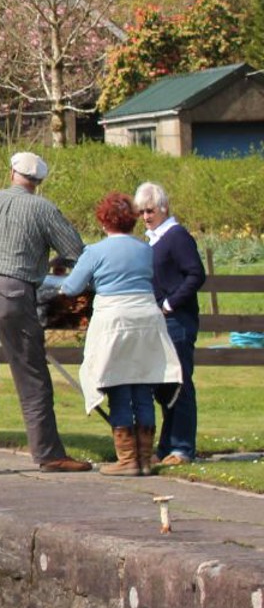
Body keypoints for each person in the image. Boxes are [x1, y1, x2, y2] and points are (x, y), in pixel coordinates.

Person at [0, 152, 91, 475]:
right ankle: (48, 454)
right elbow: (76, 250)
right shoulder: (42, 207)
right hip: (12, 290)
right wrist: (52, 261)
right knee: (31, 374)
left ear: (11, 173)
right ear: (39, 182)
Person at [60, 192, 184, 475]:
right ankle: (144, 458)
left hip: (115, 320)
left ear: (104, 222)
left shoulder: (95, 251)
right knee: (142, 383)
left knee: (117, 383)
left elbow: (71, 286)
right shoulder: (144, 249)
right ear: (132, 221)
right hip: (147, 319)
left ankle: (127, 460)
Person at [135, 181, 205, 465]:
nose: (145, 217)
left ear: (163, 207)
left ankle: (182, 448)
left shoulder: (177, 237)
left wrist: (169, 303)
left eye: (149, 210)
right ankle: (167, 447)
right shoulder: (153, 238)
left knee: (180, 384)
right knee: (165, 387)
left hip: (178, 320)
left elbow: (195, 275)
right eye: (141, 212)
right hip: (158, 322)